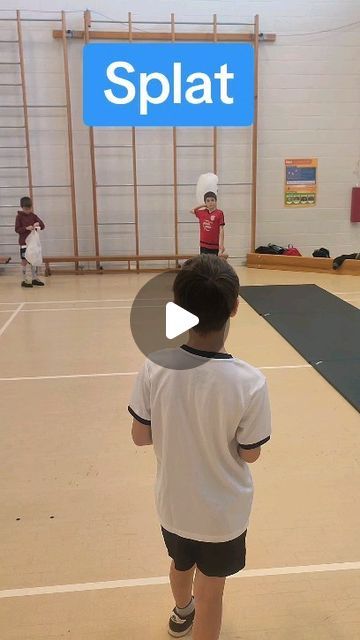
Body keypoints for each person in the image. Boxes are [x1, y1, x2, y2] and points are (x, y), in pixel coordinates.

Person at [128, 255, 271, 640]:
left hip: (173, 505)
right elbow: (250, 453)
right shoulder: (250, 382)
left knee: (180, 564)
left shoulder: (155, 366)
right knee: (213, 593)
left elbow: (140, 436)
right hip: (221, 513)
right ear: (235, 306)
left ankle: (180, 614)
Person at [15, 196, 45, 288]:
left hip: (33, 243)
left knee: (33, 260)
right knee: (24, 260)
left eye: (29, 208)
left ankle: (34, 278)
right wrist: (26, 228)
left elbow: (43, 225)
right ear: (22, 207)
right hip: (24, 243)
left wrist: (37, 223)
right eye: (26, 209)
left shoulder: (33, 216)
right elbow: (17, 229)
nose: (28, 210)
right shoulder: (19, 217)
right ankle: (24, 280)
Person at [191, 191, 225, 256]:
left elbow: (221, 229)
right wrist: (203, 205)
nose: (210, 202)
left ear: (216, 201)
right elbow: (192, 210)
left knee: (213, 264)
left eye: (212, 200)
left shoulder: (219, 213)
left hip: (214, 245)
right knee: (203, 264)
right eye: (208, 201)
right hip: (203, 244)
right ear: (205, 202)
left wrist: (221, 244)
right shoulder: (202, 212)